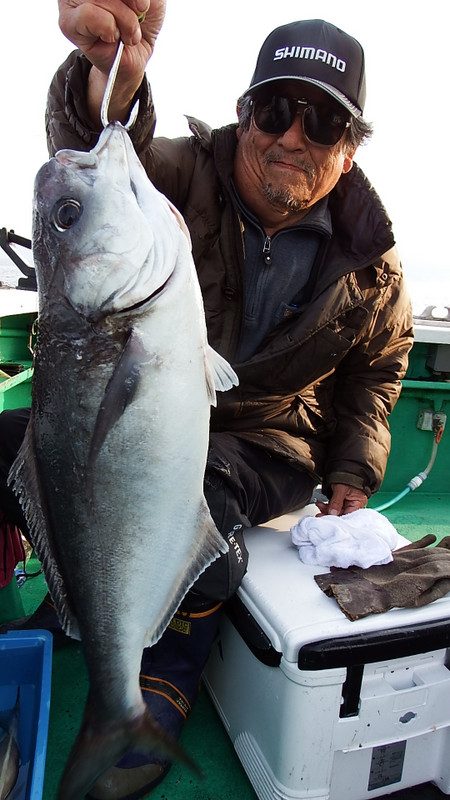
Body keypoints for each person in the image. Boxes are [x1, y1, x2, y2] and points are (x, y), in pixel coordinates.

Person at [0, 2, 413, 798]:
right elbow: (97, 145)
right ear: (243, 113)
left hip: (268, 439)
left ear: (351, 146)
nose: (291, 136)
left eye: (322, 122)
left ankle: (162, 678)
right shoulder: (181, 175)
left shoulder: (374, 264)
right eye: (274, 109)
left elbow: (377, 369)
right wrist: (106, 75)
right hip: (142, 411)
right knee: (9, 444)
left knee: (208, 495)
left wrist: (355, 464)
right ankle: (64, 590)